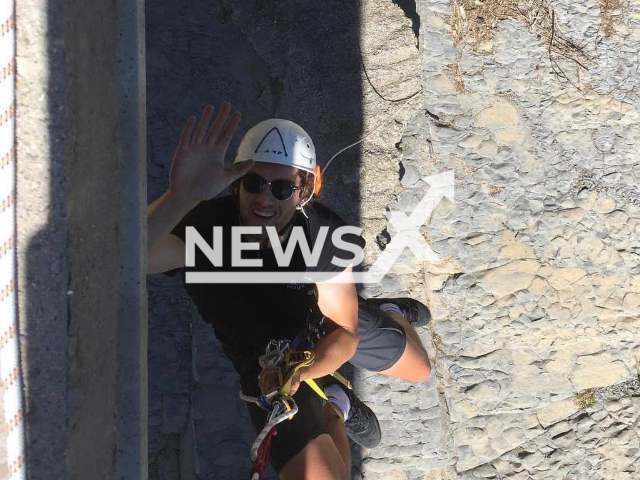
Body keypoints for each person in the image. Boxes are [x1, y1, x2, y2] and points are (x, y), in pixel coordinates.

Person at [147, 102, 432, 480]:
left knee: (420, 370)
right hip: (264, 362)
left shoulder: (325, 235)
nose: (265, 198)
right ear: (235, 183)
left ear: (306, 190)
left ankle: (390, 311)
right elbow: (129, 257)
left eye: (282, 188)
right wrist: (179, 197)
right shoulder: (205, 231)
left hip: (323, 321)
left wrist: (309, 366)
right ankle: (336, 404)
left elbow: (344, 333)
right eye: (253, 183)